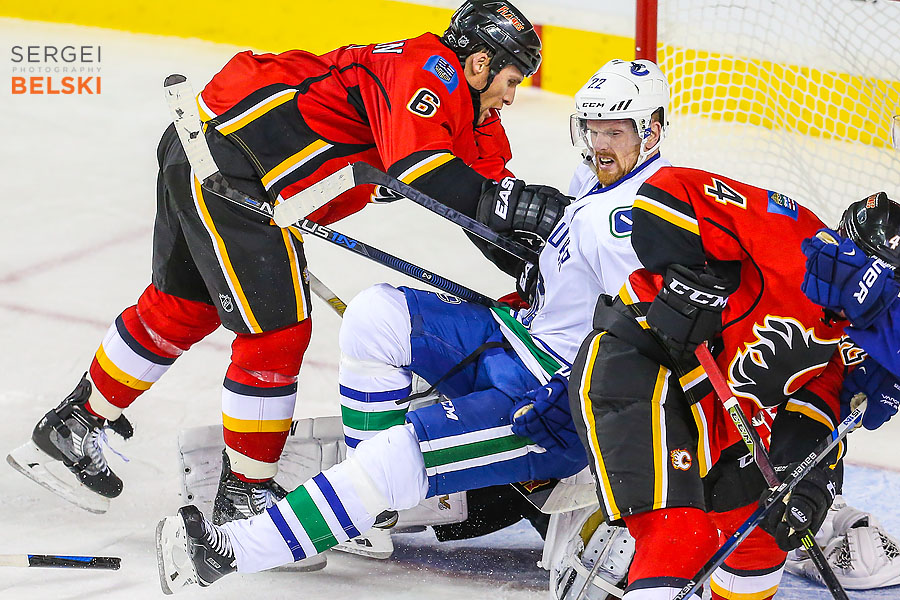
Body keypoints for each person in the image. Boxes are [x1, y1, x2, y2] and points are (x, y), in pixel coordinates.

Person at [6, 0, 574, 523]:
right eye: (510, 79)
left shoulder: (477, 120)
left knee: (184, 307)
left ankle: (76, 421)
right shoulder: (430, 70)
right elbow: (419, 166)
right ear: (478, 62)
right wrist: (506, 208)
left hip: (212, 148)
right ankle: (245, 494)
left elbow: (486, 208)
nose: (511, 95)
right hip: (233, 166)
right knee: (277, 332)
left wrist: (543, 261)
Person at [153, 58, 672, 593]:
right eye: (591, 129)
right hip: (519, 339)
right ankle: (366, 510)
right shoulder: (597, 179)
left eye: (615, 131)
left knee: (401, 455)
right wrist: (530, 264)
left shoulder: (635, 219)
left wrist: (574, 394)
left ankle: (230, 552)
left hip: (554, 393)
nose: (598, 144)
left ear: (652, 131)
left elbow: (645, 338)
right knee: (377, 314)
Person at [566, 173, 900, 599]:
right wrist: (690, 284)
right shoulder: (792, 233)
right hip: (647, 369)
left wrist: (808, 481)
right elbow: (666, 191)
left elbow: (815, 415)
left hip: (722, 427)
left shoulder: (848, 343)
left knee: (764, 540)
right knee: (681, 540)